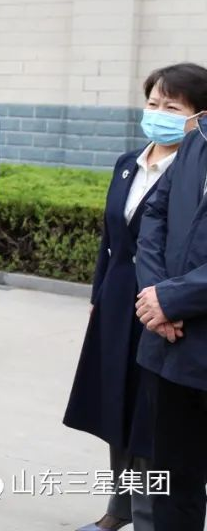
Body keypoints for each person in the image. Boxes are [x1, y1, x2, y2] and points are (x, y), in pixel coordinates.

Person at [65, 64, 207, 531]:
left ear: (199, 116)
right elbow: (115, 241)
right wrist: (99, 295)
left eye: (172, 107)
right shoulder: (129, 162)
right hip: (122, 301)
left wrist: (164, 303)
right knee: (116, 405)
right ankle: (119, 507)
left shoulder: (189, 168)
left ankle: (148, 515)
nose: (158, 113)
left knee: (153, 420)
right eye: (153, 103)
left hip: (165, 308)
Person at [133, 63, 207, 530]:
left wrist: (173, 300)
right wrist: (155, 294)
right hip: (170, 347)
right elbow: (154, 216)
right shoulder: (196, 141)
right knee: (172, 479)